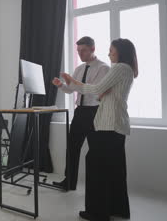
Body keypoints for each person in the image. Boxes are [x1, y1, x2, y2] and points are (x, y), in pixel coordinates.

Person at [59, 38, 138, 221]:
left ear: (120, 51)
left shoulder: (118, 68)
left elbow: (98, 88)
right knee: (115, 169)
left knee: (96, 167)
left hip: (108, 124)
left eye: (112, 50)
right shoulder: (127, 70)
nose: (109, 53)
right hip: (118, 123)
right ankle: (117, 209)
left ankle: (97, 212)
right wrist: (99, 93)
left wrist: (73, 82)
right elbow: (104, 92)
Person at [51, 36, 110, 190]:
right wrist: (61, 85)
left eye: (83, 50)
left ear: (93, 49)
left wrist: (74, 83)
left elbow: (95, 91)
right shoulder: (79, 69)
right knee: (72, 147)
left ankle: (96, 188)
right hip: (80, 112)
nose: (80, 54)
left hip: (95, 112)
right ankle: (69, 182)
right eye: (78, 51)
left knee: (95, 151)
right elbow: (71, 91)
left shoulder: (103, 68)